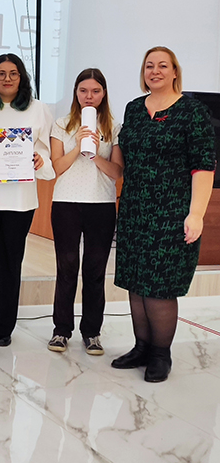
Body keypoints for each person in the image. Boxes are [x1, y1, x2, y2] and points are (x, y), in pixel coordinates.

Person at [111, 47, 214, 382]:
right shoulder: (134, 109)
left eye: (162, 66)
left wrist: (196, 214)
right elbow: (124, 158)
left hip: (172, 211)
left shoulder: (192, 111)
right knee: (136, 281)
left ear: (174, 72)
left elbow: (203, 166)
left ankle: (160, 354)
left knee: (159, 285)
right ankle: (141, 347)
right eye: (149, 66)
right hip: (134, 209)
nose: (155, 71)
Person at [0, 54, 54, 347]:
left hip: (21, 201)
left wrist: (39, 160)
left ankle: (4, 327)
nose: (7, 79)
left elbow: (47, 156)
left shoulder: (38, 109)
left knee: (10, 263)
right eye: (1, 73)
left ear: (22, 78)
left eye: (13, 73)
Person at [46, 69, 122, 356]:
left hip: (101, 204)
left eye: (95, 91)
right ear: (76, 93)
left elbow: (116, 172)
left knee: (95, 271)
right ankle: (61, 330)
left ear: (104, 94)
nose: (89, 96)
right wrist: (79, 146)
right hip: (66, 202)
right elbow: (57, 167)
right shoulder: (62, 124)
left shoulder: (113, 127)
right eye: (83, 90)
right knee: (66, 268)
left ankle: (92, 332)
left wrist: (96, 154)